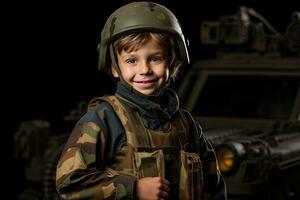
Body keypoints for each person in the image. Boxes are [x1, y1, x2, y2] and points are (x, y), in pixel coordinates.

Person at [56, 1, 227, 200]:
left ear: (173, 62)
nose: (144, 70)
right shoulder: (105, 119)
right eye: (131, 61)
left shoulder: (186, 124)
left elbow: (214, 186)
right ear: (114, 67)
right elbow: (69, 182)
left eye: (155, 58)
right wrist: (132, 189)